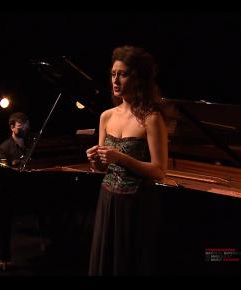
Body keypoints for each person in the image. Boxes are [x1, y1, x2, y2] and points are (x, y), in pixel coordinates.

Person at [86, 45, 168, 275]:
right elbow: (102, 169)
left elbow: (160, 171)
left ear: (138, 78)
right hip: (108, 201)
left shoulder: (151, 118)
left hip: (138, 204)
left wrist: (120, 158)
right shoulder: (106, 116)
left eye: (122, 74)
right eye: (113, 74)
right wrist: (95, 160)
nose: (115, 80)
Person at [0, 112, 31, 270]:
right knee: (3, 216)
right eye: (21, 125)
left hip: (31, 186)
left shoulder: (32, 144)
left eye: (27, 125)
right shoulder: (4, 147)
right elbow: (4, 171)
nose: (25, 128)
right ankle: (3, 256)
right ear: (12, 127)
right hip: (11, 189)